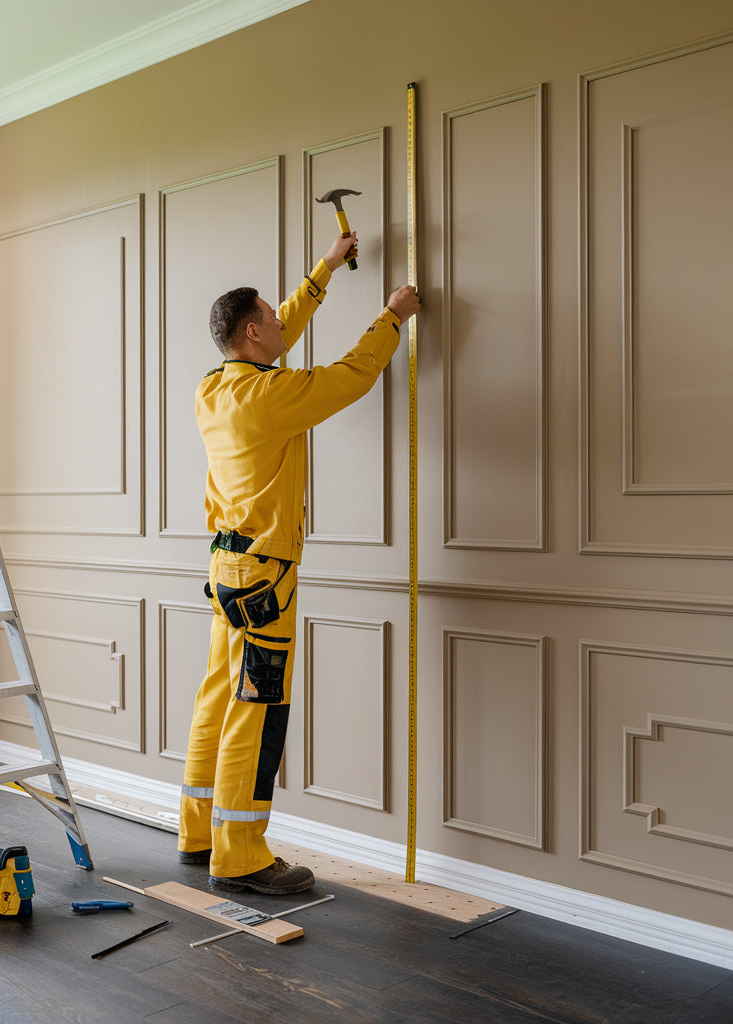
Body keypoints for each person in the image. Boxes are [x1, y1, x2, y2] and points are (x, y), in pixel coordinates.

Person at [179, 232, 423, 894]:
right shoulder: (271, 398)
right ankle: (242, 856)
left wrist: (324, 270)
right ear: (253, 332)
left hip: (228, 569)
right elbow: (349, 376)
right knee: (256, 709)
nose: (282, 323)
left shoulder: (216, 388)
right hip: (266, 576)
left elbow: (282, 323)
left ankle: (199, 833)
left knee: (214, 698)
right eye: (272, 319)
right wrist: (392, 316)